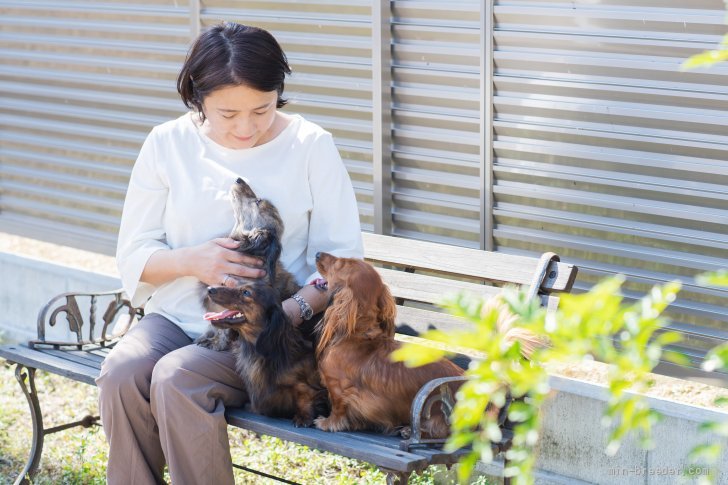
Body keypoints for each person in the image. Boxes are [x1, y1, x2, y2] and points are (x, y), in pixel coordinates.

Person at [96, 21, 363, 485]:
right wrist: (192, 261)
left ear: (278, 91)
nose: (246, 128)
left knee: (179, 378)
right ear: (197, 97)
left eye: (261, 109)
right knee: (123, 373)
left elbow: (343, 262)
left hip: (268, 338)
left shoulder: (310, 146)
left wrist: (287, 311)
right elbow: (134, 253)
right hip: (177, 320)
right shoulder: (167, 144)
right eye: (227, 114)